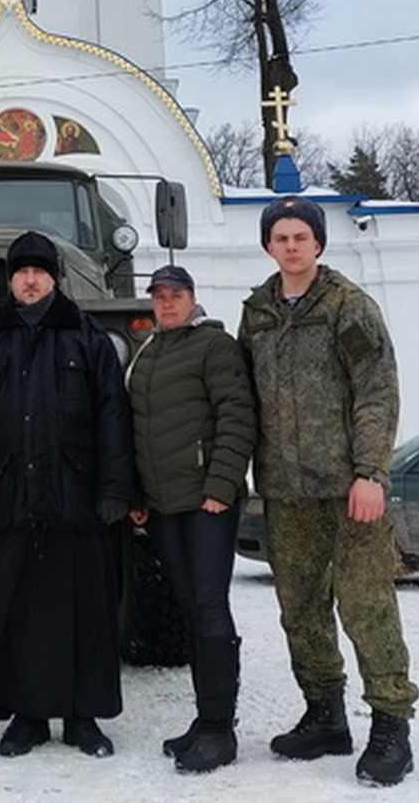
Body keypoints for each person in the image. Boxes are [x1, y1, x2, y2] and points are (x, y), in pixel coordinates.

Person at [239, 196, 419, 786]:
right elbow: (244, 398)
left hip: (349, 488)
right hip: (285, 490)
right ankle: (324, 714)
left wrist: (371, 472)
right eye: (281, 237)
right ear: (269, 246)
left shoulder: (348, 306)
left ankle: (391, 724)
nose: (291, 246)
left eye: (301, 237)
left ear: (317, 243)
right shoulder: (257, 312)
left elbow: (377, 391)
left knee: (366, 605)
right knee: (300, 609)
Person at [0, 229, 134, 759]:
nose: (30, 280)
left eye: (39, 272)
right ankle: (28, 717)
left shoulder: (87, 338)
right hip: (13, 497)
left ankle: (82, 717)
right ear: (11, 281)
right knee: (20, 612)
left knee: (85, 612)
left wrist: (114, 488)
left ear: (54, 279)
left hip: (76, 497)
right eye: (21, 272)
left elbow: (112, 416)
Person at [124, 263, 257, 774]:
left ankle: (221, 729)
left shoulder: (214, 346)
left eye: (175, 295)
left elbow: (237, 416)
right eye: (159, 295)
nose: (167, 303)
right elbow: (138, 429)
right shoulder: (148, 352)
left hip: (206, 503)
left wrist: (222, 486)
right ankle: (205, 721)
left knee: (209, 607)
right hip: (164, 505)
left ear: (192, 298)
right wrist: (139, 493)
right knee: (190, 608)